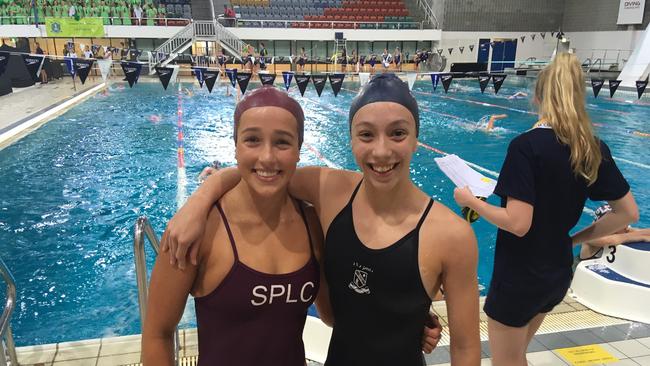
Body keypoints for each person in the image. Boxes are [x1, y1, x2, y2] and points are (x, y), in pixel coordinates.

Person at [162, 74, 479, 365]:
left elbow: (465, 350)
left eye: (397, 133)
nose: (381, 151)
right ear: (351, 140)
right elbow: (263, 172)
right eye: (366, 134)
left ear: (416, 138)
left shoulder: (453, 235)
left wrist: (410, 318)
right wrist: (200, 199)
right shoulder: (332, 190)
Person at [453, 53, 639, 366]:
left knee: (507, 362)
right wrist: (574, 240)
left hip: (521, 276)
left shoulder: (526, 147)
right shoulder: (591, 147)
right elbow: (628, 213)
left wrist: (470, 202)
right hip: (556, 274)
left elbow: (518, 223)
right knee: (516, 356)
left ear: (538, 97)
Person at [142, 86, 332, 365]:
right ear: (235, 145)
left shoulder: (312, 225)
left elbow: (332, 315)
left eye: (282, 142)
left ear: (299, 151)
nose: (267, 157)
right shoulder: (196, 230)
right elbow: (157, 333)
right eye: (252, 140)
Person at [578, 204, 650, 260]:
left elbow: (644, 231)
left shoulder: (622, 229)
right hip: (578, 271)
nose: (626, 225)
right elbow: (611, 240)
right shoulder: (590, 237)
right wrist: (642, 237)